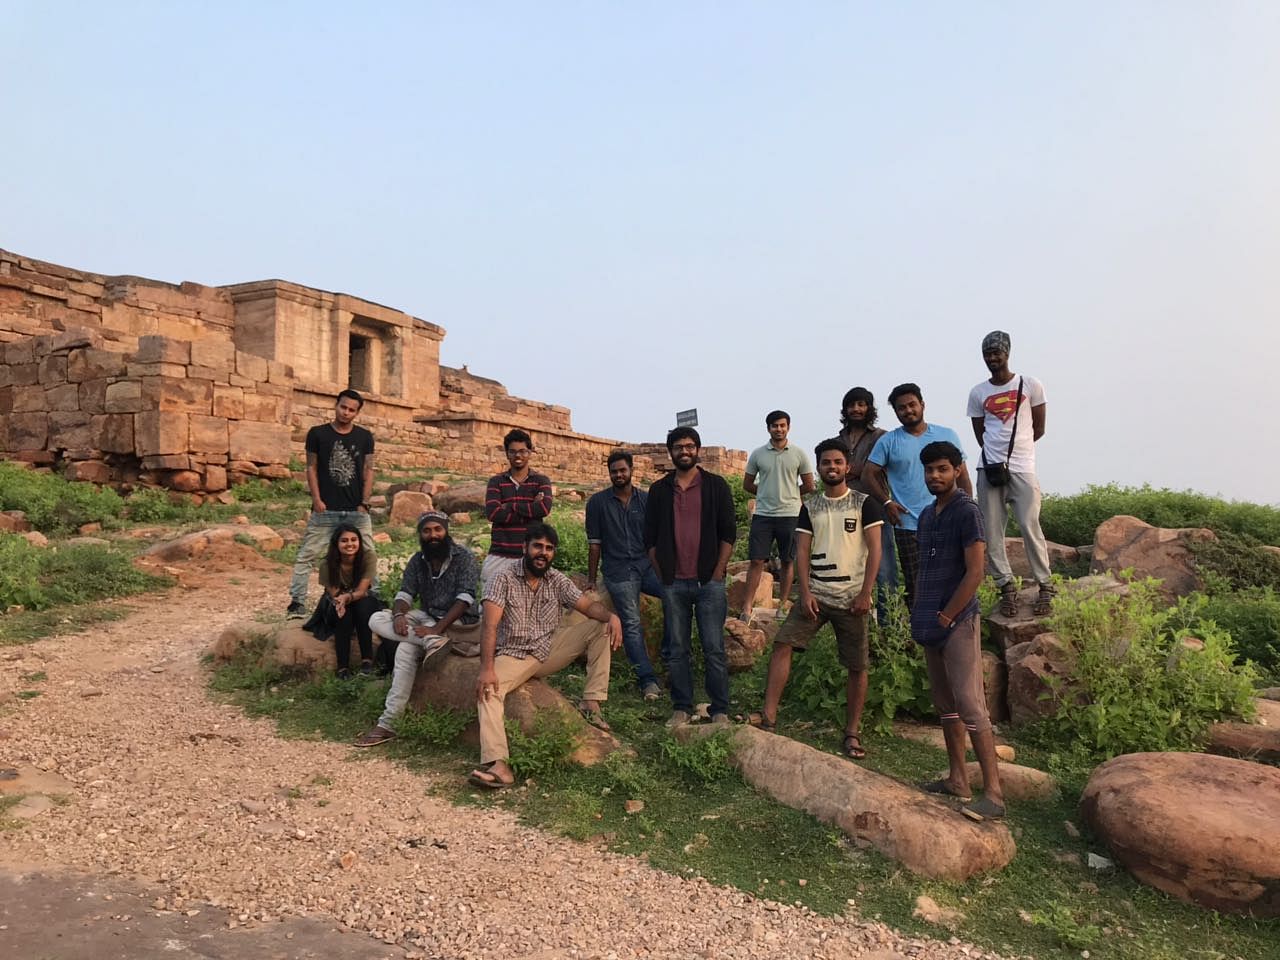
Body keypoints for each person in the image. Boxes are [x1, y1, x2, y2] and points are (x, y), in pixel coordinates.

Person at [470, 523, 622, 789]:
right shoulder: (503, 578)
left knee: (600, 626)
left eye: (549, 548)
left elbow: (587, 607)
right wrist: (487, 668)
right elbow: (490, 626)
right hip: (515, 654)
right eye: (537, 546)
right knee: (489, 691)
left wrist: (612, 616)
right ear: (524, 548)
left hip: (547, 649)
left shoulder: (557, 580)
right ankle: (499, 764)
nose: (543, 553)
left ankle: (591, 702)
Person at [760, 439, 884, 760]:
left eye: (837, 462)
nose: (832, 468)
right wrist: (805, 591)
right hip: (816, 595)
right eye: (826, 463)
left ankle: (852, 732)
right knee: (783, 644)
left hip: (852, 598)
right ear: (819, 467)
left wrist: (865, 593)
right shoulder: (811, 506)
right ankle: (768, 717)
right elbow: (802, 550)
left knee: (857, 665)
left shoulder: (864, 503)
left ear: (848, 467)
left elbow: (875, 551)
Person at [912, 441, 1005, 821]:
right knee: (945, 702)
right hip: (930, 618)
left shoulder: (968, 512)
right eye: (930, 470)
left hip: (958, 619)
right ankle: (957, 779)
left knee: (970, 704)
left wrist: (949, 616)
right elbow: (922, 570)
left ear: (957, 470)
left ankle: (995, 794)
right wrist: (923, 615)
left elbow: (976, 572)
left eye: (942, 469)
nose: (935, 476)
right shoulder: (927, 515)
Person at [354, 511, 481, 747]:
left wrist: (437, 630)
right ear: (420, 534)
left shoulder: (464, 557)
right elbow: (405, 593)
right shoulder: (417, 560)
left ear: (446, 531)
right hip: (427, 618)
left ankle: (387, 723)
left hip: (457, 622)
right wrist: (400, 614)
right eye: (427, 531)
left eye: (437, 530)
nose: (433, 535)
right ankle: (429, 643)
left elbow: (465, 599)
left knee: (403, 650)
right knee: (376, 619)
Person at [643, 427, 737, 726]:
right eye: (678, 447)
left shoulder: (716, 486)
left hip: (708, 581)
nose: (684, 451)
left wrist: (719, 570)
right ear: (670, 452)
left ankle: (719, 708)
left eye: (689, 446)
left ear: (698, 449)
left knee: (714, 648)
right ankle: (682, 706)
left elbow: (728, 533)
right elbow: (650, 539)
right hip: (674, 583)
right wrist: (662, 575)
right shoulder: (659, 490)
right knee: (678, 649)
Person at [967, 330, 1054, 617]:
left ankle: (1045, 585)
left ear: (1007, 353)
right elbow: (981, 434)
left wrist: (1018, 452)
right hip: (989, 468)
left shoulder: (1030, 385)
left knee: (1030, 526)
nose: (992, 358)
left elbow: (1038, 428)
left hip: (1022, 467)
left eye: (996, 353)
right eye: (987, 354)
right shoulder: (978, 392)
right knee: (992, 531)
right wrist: (994, 456)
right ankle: (1006, 587)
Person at [863, 384, 971, 612]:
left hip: (948, 520)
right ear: (896, 412)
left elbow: (963, 476)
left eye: (912, 405)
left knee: (953, 577)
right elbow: (868, 474)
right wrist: (887, 502)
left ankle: (951, 628)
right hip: (908, 524)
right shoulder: (889, 441)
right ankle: (921, 635)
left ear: (922, 405)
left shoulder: (946, 435)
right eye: (901, 408)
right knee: (917, 583)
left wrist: (969, 510)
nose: (908, 410)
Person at [586, 450, 667, 700]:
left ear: (632, 470)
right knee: (631, 622)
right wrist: (591, 579)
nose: (619, 475)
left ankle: (669, 659)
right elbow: (595, 544)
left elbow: (657, 538)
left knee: (675, 597)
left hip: (646, 565)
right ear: (609, 473)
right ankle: (647, 680)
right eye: (614, 471)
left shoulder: (645, 499)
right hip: (618, 569)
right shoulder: (598, 503)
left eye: (622, 470)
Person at [288, 389, 375, 616]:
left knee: (368, 554)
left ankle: (370, 596)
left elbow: (368, 470)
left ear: (357, 413)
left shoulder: (365, 437)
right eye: (343, 407)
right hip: (326, 510)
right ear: (336, 405)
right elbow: (311, 468)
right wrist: (316, 499)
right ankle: (297, 602)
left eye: (351, 410)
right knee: (307, 555)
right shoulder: (317, 434)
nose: (346, 413)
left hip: (356, 510)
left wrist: (364, 503)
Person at [741, 411, 814, 618]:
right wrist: (765, 493)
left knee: (787, 560)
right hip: (763, 514)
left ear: (788, 427)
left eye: (782, 425)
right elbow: (747, 483)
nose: (779, 429)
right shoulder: (758, 454)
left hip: (791, 514)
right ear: (768, 428)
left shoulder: (798, 453)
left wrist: (790, 494)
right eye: (775, 426)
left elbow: (809, 485)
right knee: (756, 560)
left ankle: (782, 606)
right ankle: (747, 607)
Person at [832, 387, 896, 620]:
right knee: (848, 566)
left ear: (869, 408)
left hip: (877, 508)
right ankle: (855, 625)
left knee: (885, 569)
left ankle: (889, 626)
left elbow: (884, 469)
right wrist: (861, 470)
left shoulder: (882, 437)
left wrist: (860, 470)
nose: (856, 409)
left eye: (861, 404)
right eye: (851, 405)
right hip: (845, 510)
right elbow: (834, 472)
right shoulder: (838, 440)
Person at [483, 428, 552, 596]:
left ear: (530, 452)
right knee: (490, 609)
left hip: (530, 557)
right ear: (507, 454)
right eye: (512, 452)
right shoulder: (496, 481)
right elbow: (493, 513)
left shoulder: (541, 481)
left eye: (522, 451)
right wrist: (530, 508)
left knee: (527, 611)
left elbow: (543, 508)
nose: (518, 456)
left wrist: (510, 505)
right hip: (500, 554)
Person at [308, 523, 381, 678]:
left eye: (354, 540)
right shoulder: (327, 565)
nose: (350, 544)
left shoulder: (368, 557)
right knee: (344, 614)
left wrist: (348, 597)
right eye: (344, 540)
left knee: (363, 607)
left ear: (359, 542)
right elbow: (335, 594)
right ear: (336, 544)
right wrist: (343, 600)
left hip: (361, 598)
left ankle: (367, 661)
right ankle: (343, 667)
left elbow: (362, 591)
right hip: (337, 601)